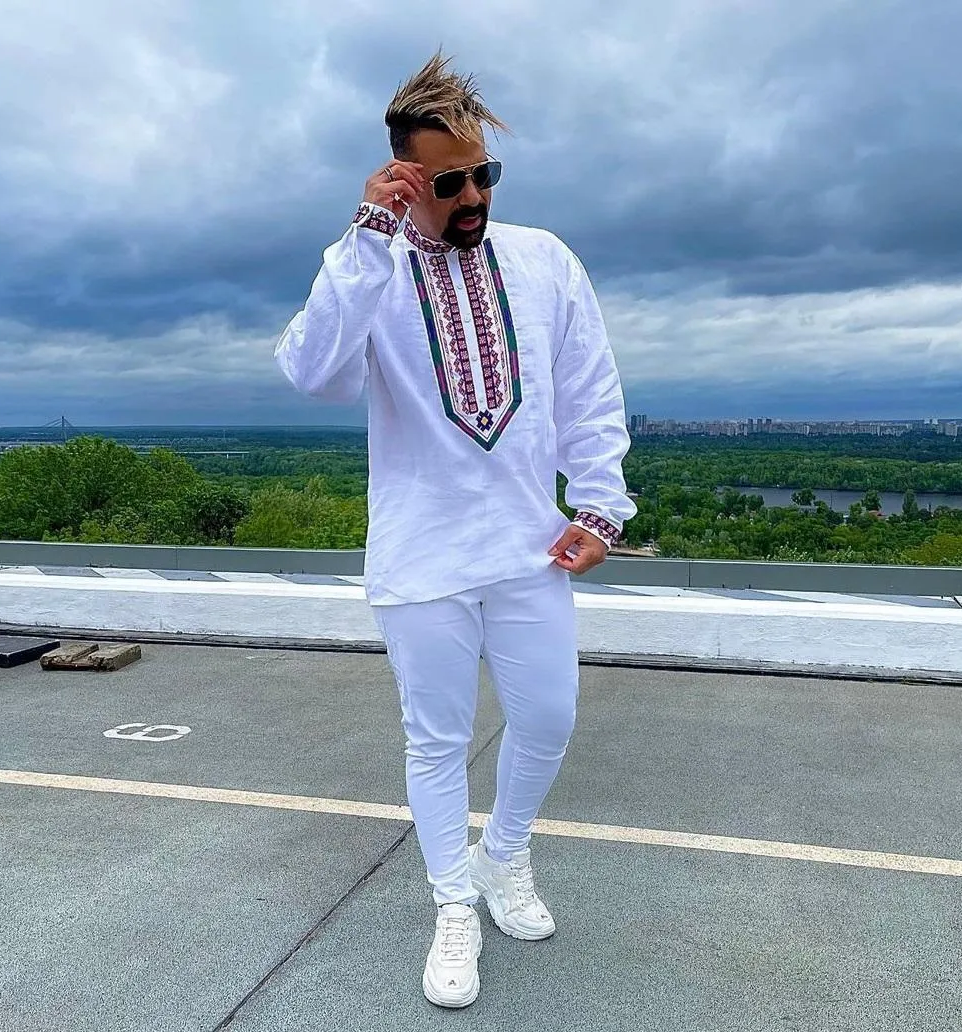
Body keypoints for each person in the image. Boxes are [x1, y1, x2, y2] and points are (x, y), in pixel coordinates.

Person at [275, 52, 636, 1008]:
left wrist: (600, 507)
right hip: (422, 553)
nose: (472, 196)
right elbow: (312, 372)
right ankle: (453, 905)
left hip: (529, 545)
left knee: (548, 718)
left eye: (483, 174)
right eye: (448, 182)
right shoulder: (373, 268)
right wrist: (366, 237)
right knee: (436, 741)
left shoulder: (544, 259)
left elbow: (591, 391)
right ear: (405, 176)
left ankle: (503, 855)